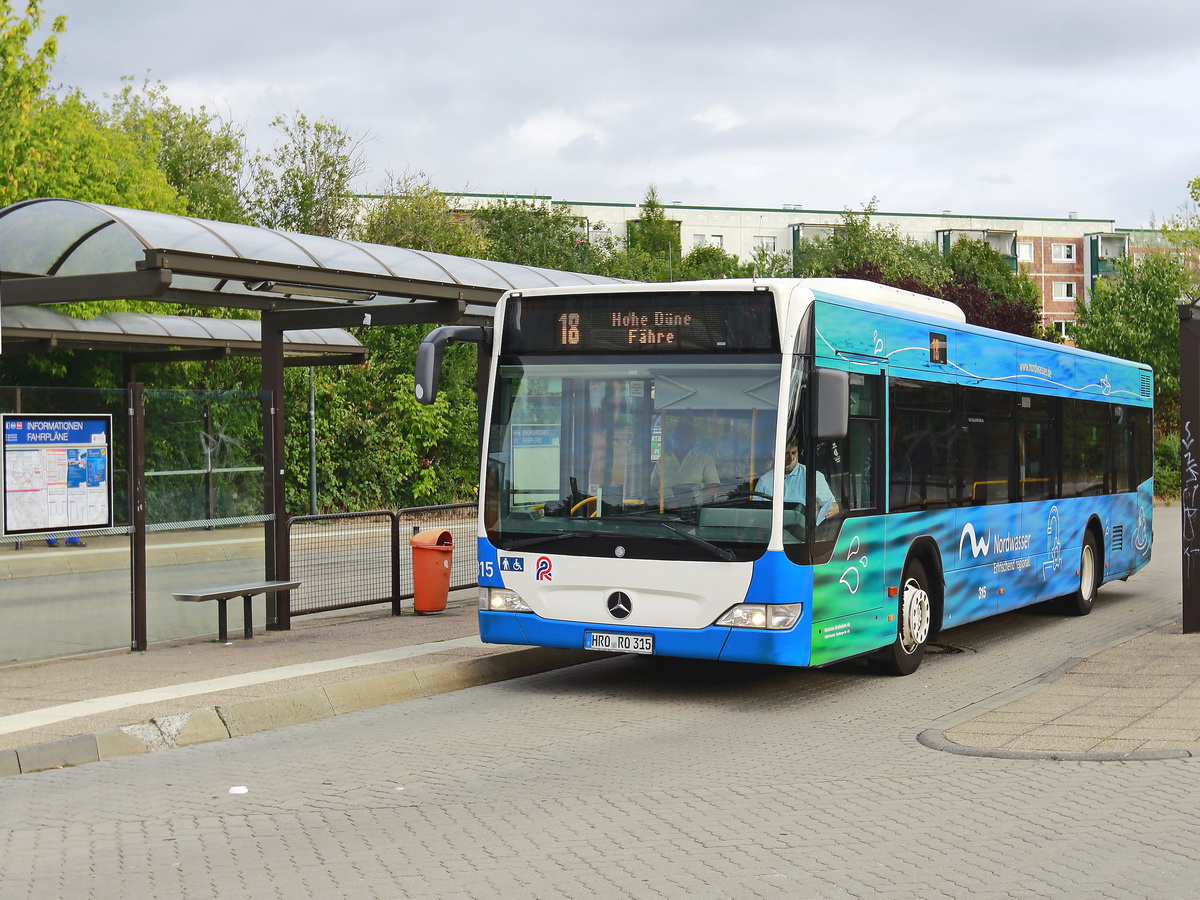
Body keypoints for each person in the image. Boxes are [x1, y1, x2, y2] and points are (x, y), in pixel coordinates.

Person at [758, 441, 838, 523]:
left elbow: (833, 506)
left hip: (805, 532)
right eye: (786, 454)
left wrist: (832, 508)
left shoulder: (813, 476)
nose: (791, 458)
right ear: (774, 454)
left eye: (794, 453)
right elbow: (756, 513)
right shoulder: (764, 481)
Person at [651, 419, 719, 501]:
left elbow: (712, 488)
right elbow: (652, 488)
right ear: (673, 436)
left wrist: (691, 502)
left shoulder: (704, 458)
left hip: (693, 509)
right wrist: (663, 503)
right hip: (664, 510)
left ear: (693, 437)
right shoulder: (662, 459)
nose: (681, 437)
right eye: (679, 433)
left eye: (686, 434)